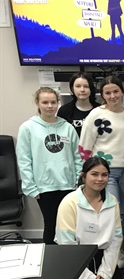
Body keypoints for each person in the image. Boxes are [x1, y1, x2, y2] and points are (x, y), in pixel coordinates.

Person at [55, 157, 124, 279]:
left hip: (102, 257)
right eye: (94, 174)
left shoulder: (112, 202)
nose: (100, 179)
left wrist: (105, 274)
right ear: (83, 176)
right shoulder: (70, 202)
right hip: (76, 259)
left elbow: (116, 240)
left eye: (104, 175)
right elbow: (66, 247)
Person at [79, 75, 124, 268]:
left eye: (115, 91)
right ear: (102, 95)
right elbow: (84, 146)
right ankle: (110, 251)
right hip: (104, 172)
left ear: (122, 91)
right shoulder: (95, 115)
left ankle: (118, 248)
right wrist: (85, 174)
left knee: (123, 213)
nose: (112, 96)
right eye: (107, 92)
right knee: (112, 211)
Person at [16, 87, 82, 244]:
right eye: (45, 102)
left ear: (58, 103)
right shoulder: (28, 128)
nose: (50, 106)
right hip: (44, 186)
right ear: (37, 103)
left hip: (68, 184)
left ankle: (72, 260)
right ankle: (50, 262)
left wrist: (78, 180)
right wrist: (30, 187)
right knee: (51, 224)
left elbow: (77, 156)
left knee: (72, 225)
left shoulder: (67, 127)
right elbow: (24, 160)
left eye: (53, 102)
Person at [57, 72, 100, 137]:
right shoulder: (64, 111)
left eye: (86, 86)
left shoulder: (100, 110)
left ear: (91, 89)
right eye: (78, 86)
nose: (82, 90)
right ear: (72, 89)